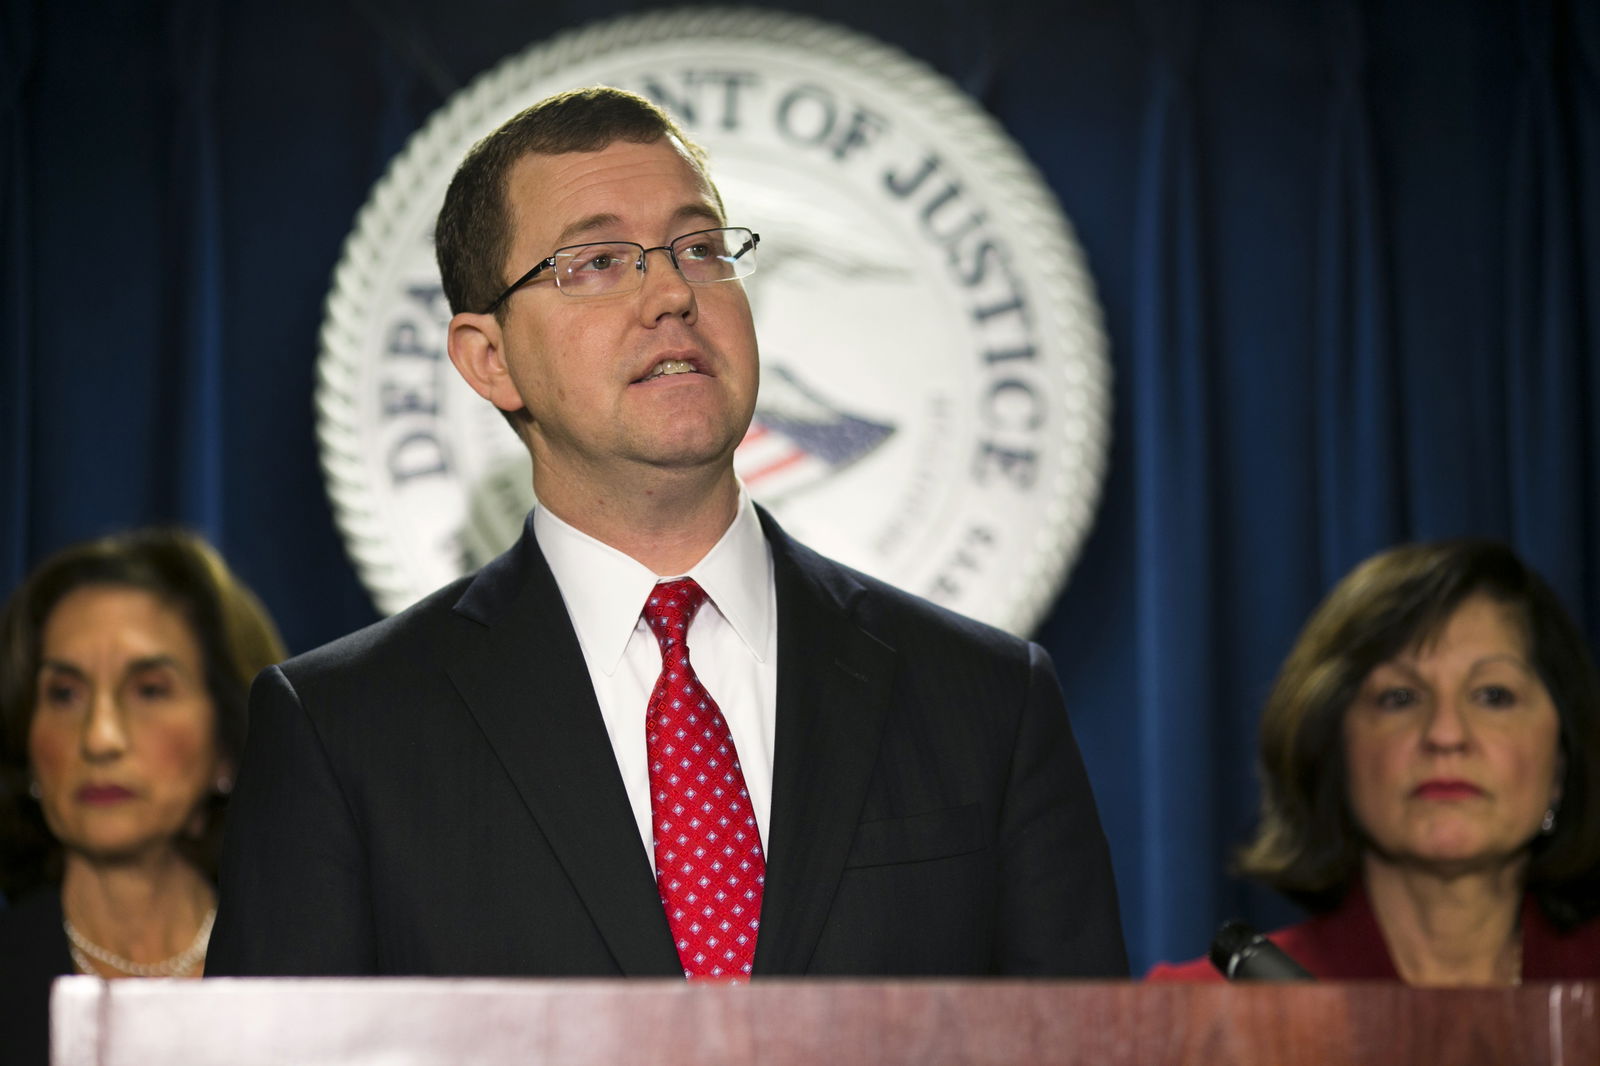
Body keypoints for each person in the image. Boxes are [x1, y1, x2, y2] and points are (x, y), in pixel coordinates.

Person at [208, 86, 1126, 980]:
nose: (673, 294)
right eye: (598, 262)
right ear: (489, 360)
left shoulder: (987, 702)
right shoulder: (343, 734)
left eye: (700, 247)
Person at [1147, 540, 1600, 983]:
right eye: (1399, 697)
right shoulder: (1197, 1010)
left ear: (1561, 763)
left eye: (1493, 696)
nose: (1446, 735)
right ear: (1333, 750)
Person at [0, 528, 287, 1066]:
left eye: (150, 690)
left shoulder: (306, 972)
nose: (100, 738)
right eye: (64, 694)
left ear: (227, 744)